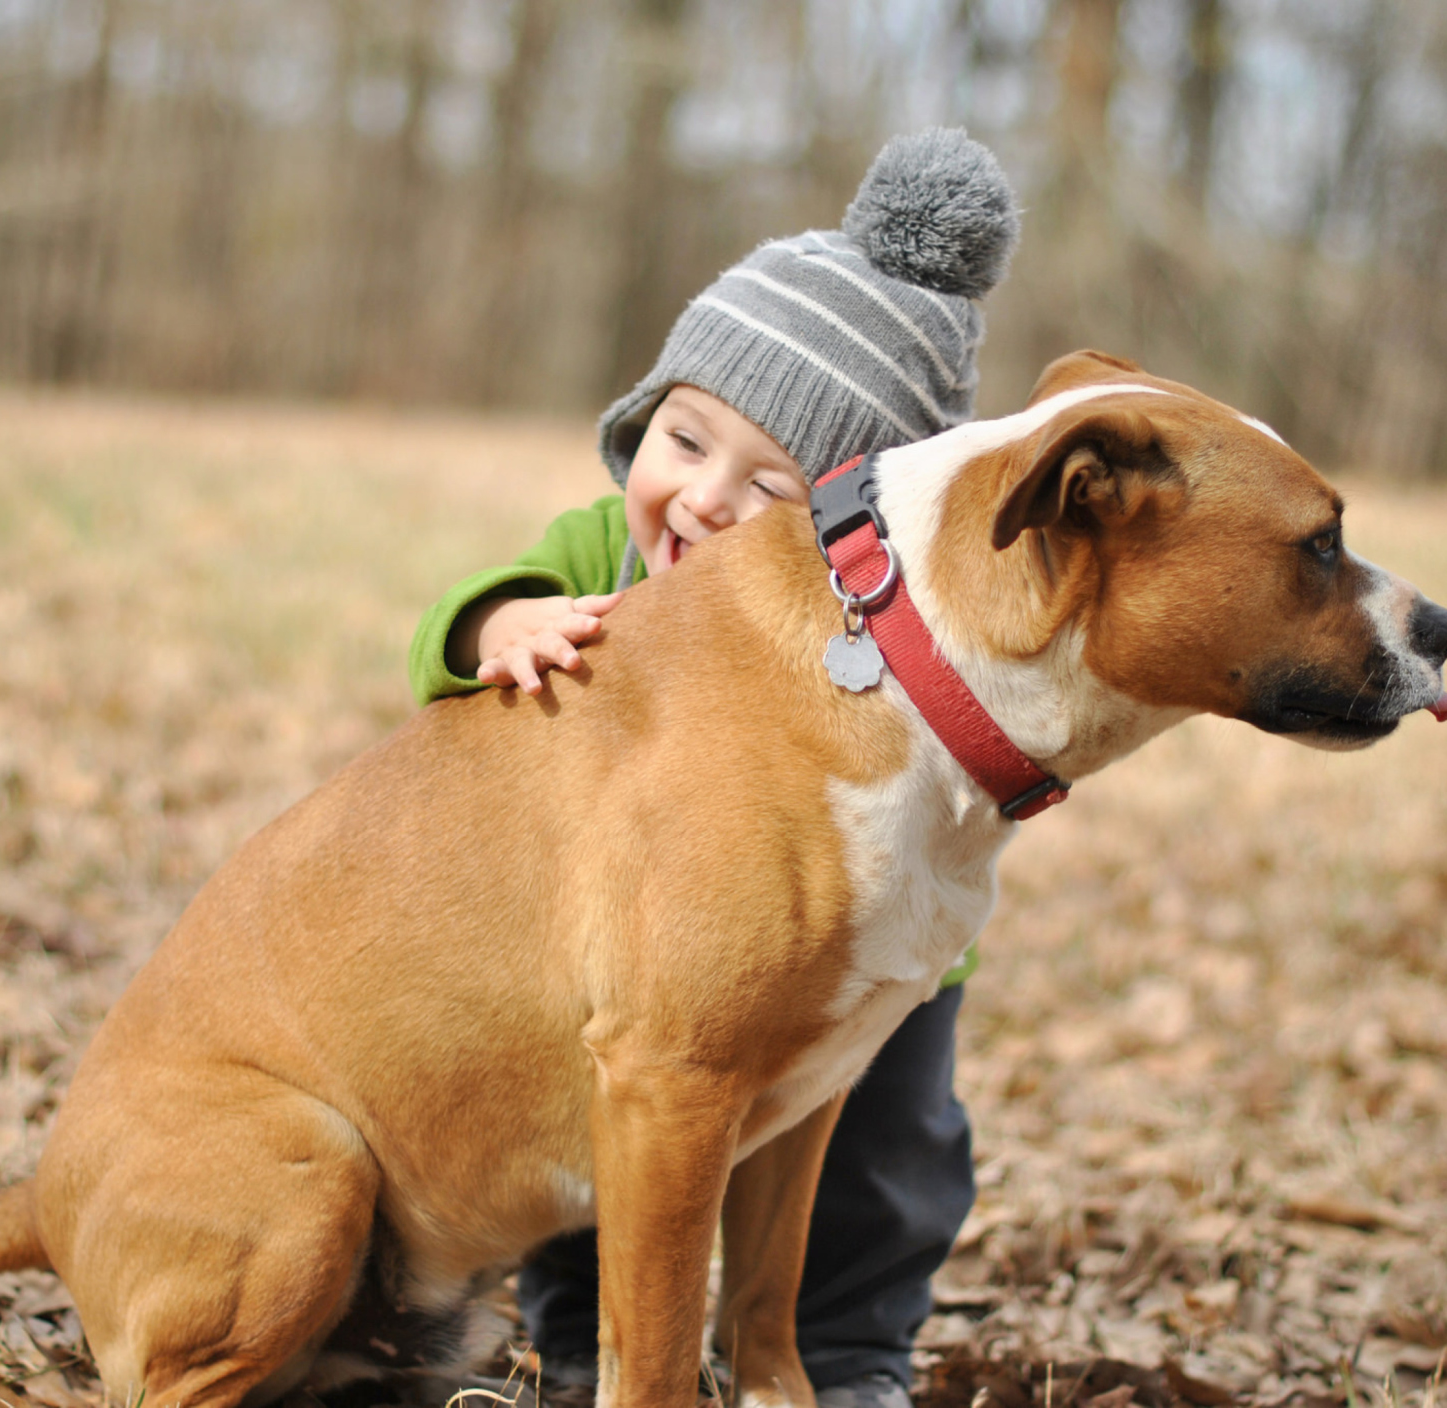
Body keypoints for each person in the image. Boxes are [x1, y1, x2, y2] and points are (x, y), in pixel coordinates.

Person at [407, 127, 1020, 1408]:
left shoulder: (868, 632)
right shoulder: (600, 558)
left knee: (887, 1157)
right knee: (614, 1120)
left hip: (859, 944)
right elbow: (441, 645)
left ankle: (845, 1354)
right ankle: (589, 1340)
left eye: (772, 487)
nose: (702, 500)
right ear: (642, 424)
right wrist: (500, 624)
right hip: (617, 945)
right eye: (685, 443)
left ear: (852, 529)